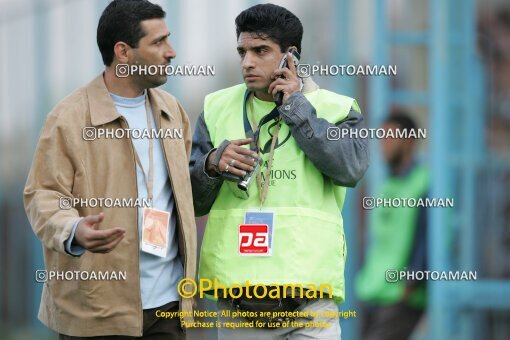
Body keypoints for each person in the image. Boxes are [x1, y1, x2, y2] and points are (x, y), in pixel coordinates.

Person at [189, 4, 368, 339]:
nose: (247, 62)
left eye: (260, 51)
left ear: (291, 56)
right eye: (242, 51)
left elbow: (352, 169)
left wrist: (297, 108)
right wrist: (212, 164)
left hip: (310, 309)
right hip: (238, 311)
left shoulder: (335, 108)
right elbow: (190, 201)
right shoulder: (215, 108)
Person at [23, 0, 196, 338]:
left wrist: (214, 165)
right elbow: (42, 194)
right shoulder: (69, 117)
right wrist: (73, 230)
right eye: (158, 42)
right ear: (124, 52)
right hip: (96, 312)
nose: (171, 52)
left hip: (168, 308)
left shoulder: (172, 111)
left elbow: (185, 188)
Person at [355, 113, 428, 340]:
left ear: (408, 141)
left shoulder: (424, 184)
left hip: (400, 295)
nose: (383, 144)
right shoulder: (388, 184)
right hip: (373, 289)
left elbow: (427, 237)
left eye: (389, 137)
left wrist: (412, 283)